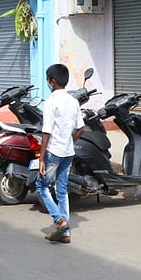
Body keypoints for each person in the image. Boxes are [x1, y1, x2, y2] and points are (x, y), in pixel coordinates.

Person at [34, 64, 84, 244]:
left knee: (41, 186)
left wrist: (41, 158)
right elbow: (81, 128)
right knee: (62, 190)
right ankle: (65, 233)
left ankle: (59, 220)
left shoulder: (50, 103)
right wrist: (70, 141)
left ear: (52, 82)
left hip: (53, 151)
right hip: (68, 152)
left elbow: (46, 132)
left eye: (48, 79)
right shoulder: (73, 101)